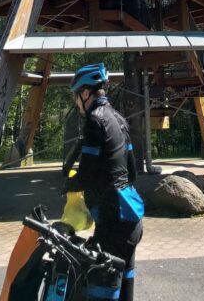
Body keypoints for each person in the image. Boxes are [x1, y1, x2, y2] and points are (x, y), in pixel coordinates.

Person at [66, 63, 143, 301]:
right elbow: (132, 171)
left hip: (112, 221)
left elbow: (86, 173)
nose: (76, 101)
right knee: (124, 288)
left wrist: (68, 185)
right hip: (131, 218)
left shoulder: (94, 121)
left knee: (100, 290)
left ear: (86, 92)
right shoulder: (119, 118)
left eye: (76, 95)